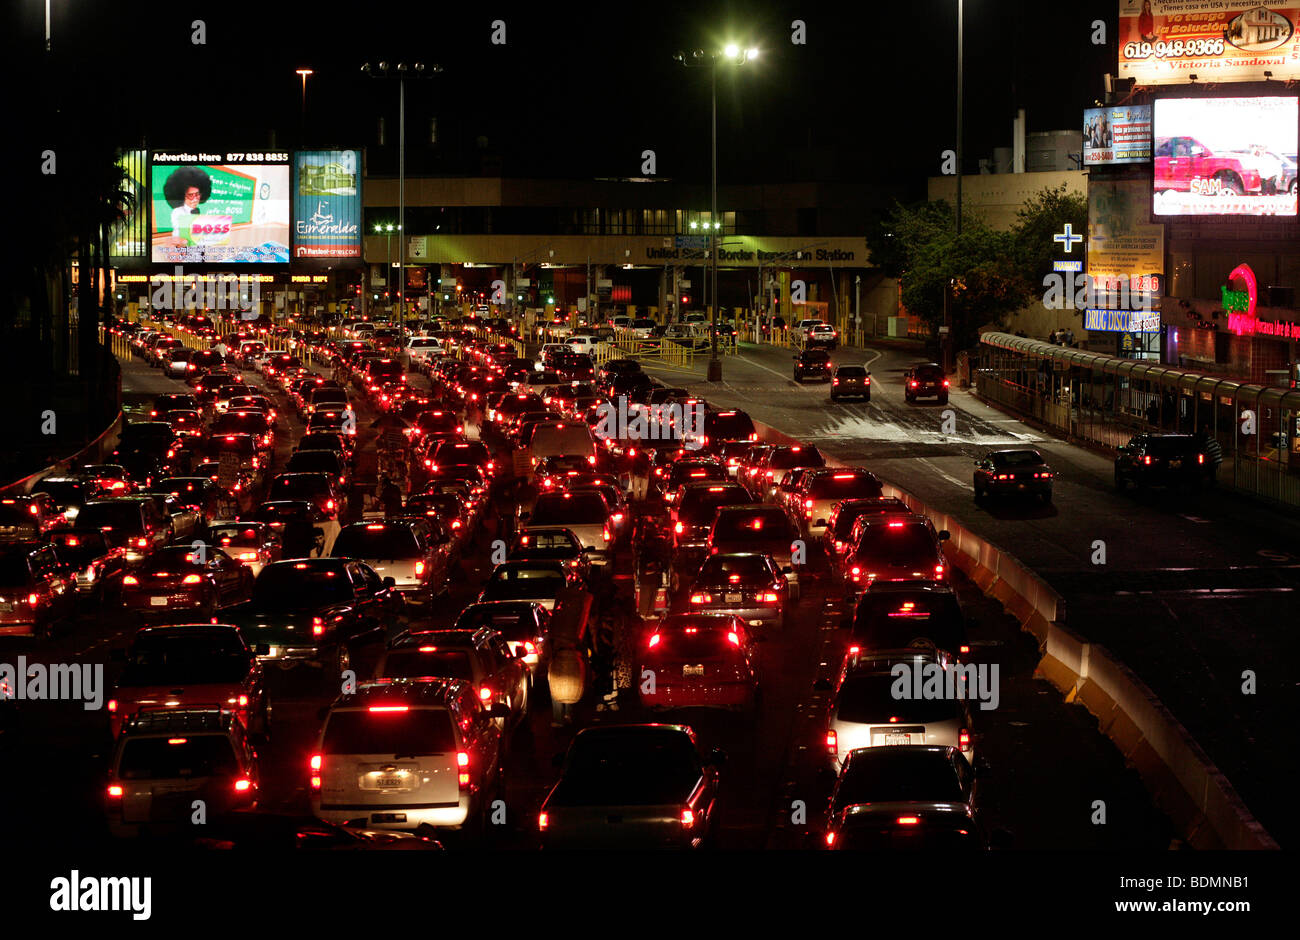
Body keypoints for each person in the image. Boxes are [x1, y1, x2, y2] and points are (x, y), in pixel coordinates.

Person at [162, 166, 212, 248]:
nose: (195, 199)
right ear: (182, 195)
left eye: (197, 194)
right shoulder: (178, 212)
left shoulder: (197, 211)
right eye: (190, 195)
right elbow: (180, 235)